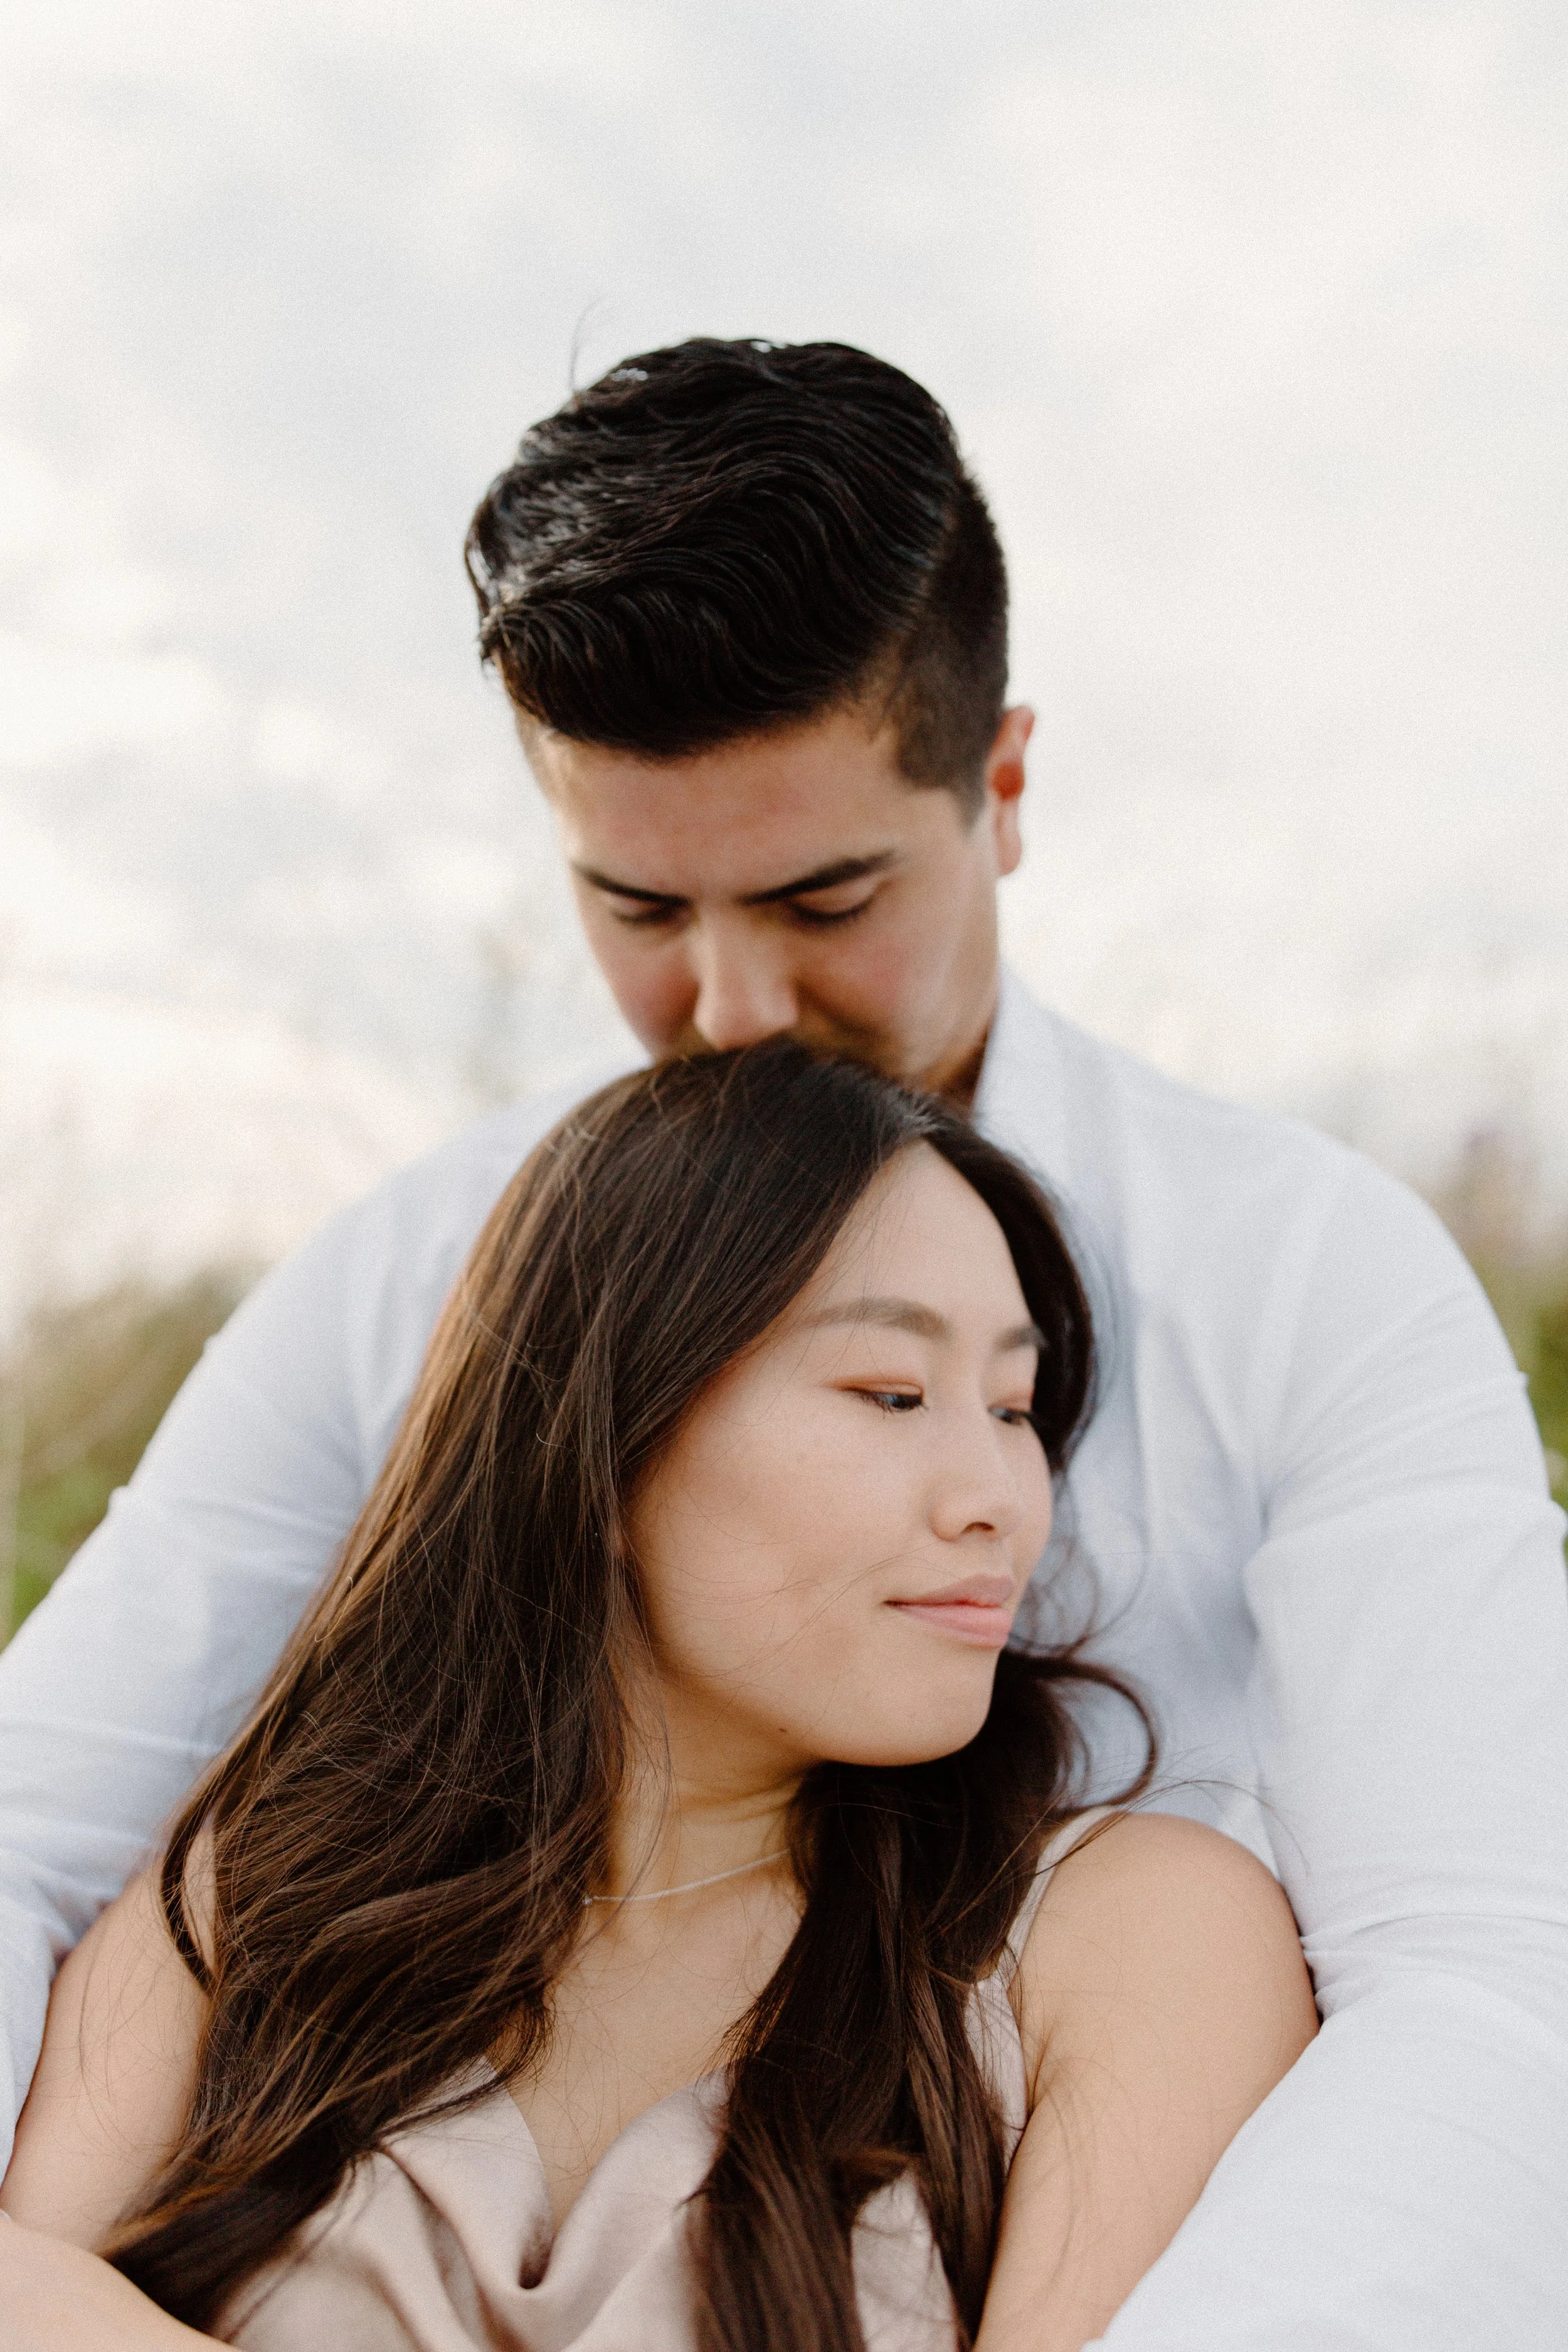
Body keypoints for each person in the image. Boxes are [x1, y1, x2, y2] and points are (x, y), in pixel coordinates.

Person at [0, 336, 1564, 2347]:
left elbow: (1485, 1972)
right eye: (635, 904)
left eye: (824, 893)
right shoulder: (413, 1281)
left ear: (997, 788)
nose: (730, 1001)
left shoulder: (1304, 1271)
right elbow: (41, 1810)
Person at [0, 1046, 1318, 2349]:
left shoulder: (1133, 1932)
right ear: (607, 1432)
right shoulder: (261, 1892)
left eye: (1015, 1407)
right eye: (892, 1392)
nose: (996, 1499)